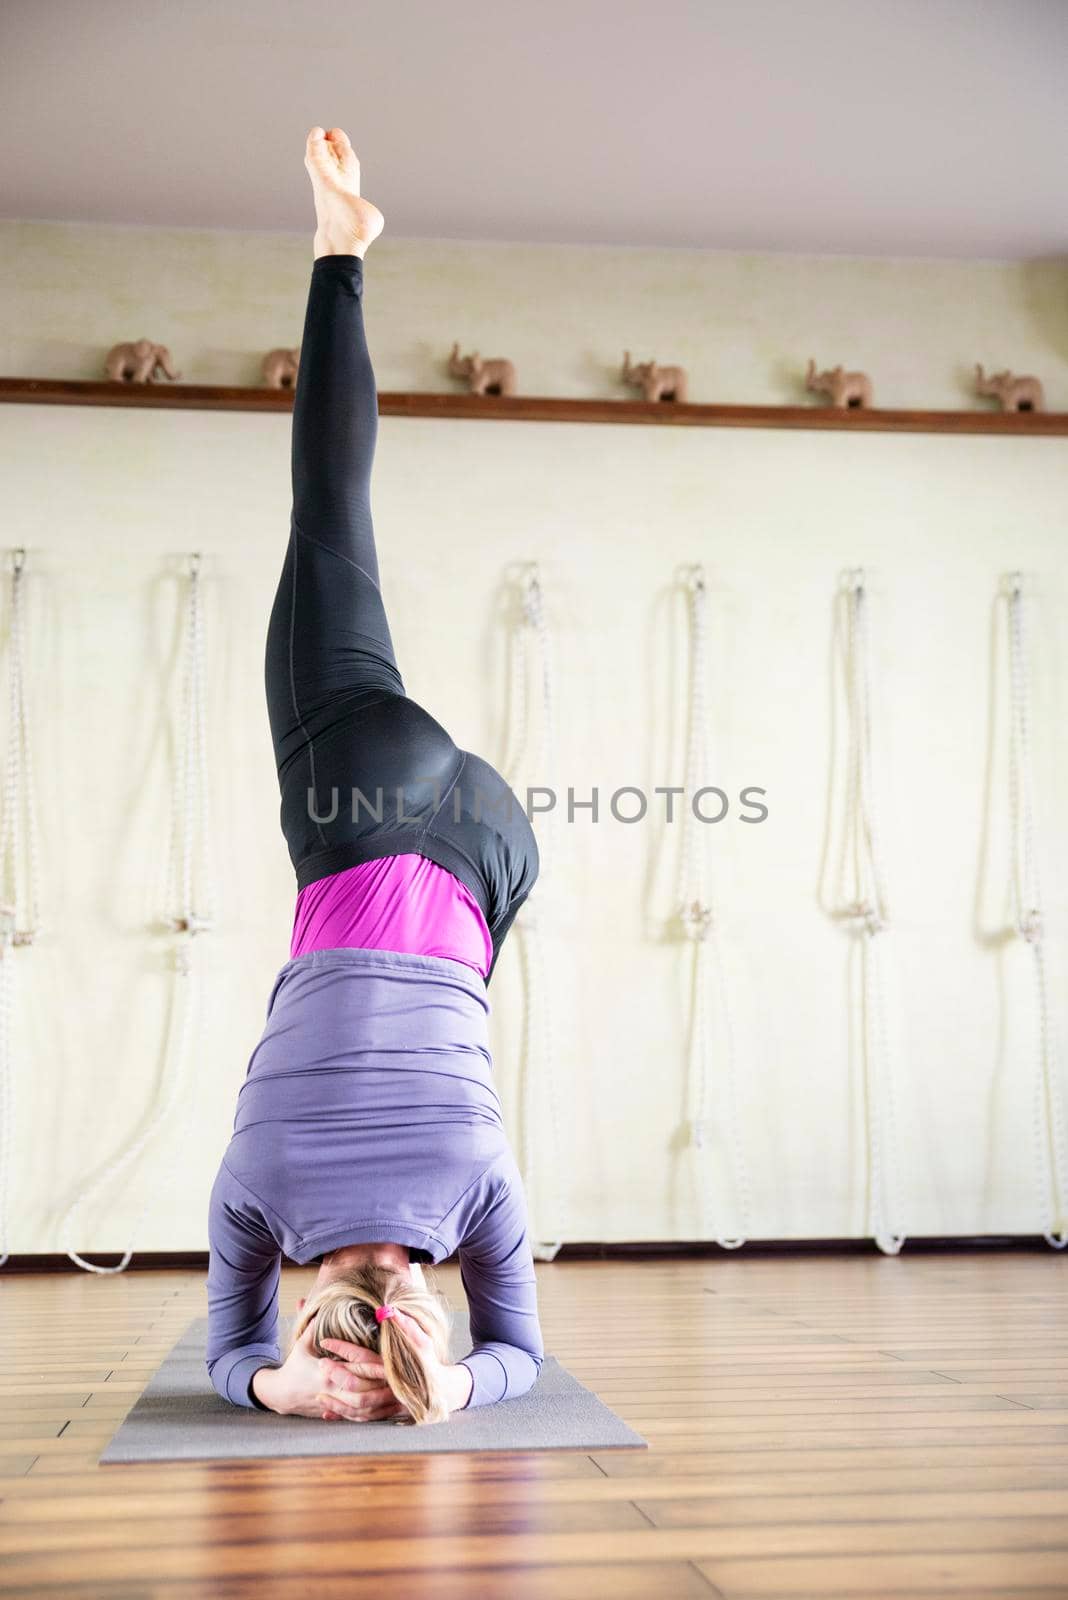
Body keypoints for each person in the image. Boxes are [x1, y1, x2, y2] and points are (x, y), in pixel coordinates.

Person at [204, 127, 542, 1425]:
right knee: (328, 512)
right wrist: (276, 1390)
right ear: (314, 1305)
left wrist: (453, 1385)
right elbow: (224, 1353)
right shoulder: (259, 1191)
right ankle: (342, 259)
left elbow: (522, 1353)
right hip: (373, 808)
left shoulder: (481, 1198)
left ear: (423, 1314)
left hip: (492, 856)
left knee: (464, 1004)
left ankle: (346, 257)